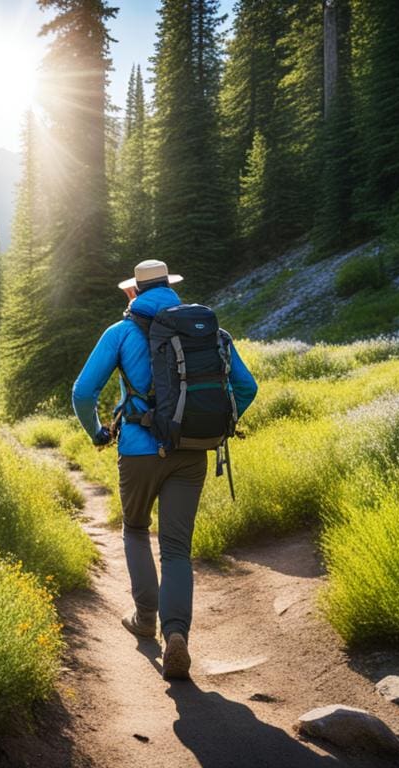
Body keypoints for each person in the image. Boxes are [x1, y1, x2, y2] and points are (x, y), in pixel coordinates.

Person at [71, 259, 258, 680]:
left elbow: (83, 392)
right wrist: (219, 422)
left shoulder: (120, 333)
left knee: (136, 529)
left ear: (132, 292)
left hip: (137, 451)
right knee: (176, 548)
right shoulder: (209, 332)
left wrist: (98, 433)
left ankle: (144, 618)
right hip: (192, 449)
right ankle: (178, 636)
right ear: (171, 288)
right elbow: (247, 387)